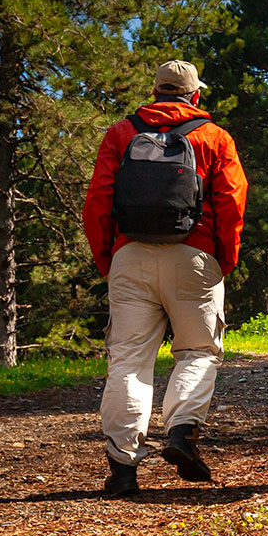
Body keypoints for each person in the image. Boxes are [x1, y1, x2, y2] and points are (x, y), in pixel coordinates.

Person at [81, 60, 248, 497]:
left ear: (155, 92)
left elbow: (97, 201)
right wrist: (222, 260)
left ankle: (122, 469)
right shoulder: (214, 137)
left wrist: (108, 258)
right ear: (195, 96)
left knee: (129, 361)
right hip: (194, 255)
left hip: (130, 256)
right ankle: (181, 432)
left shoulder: (121, 134)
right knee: (197, 350)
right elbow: (231, 203)